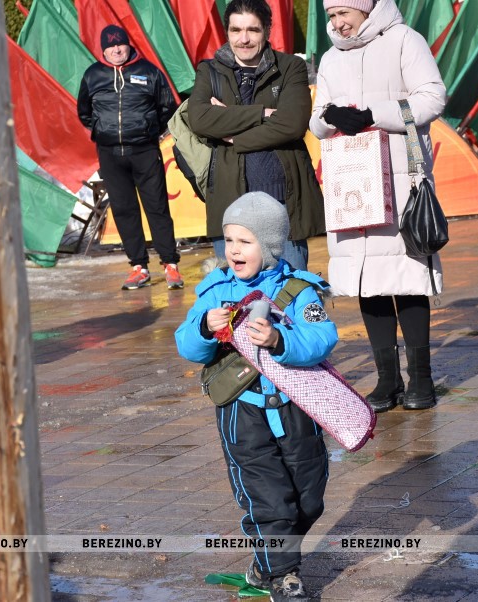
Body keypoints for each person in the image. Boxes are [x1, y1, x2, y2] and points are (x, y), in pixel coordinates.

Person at [174, 192, 335, 601]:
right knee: (268, 499)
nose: (233, 250)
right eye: (229, 240)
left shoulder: (300, 290)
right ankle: (285, 576)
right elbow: (187, 345)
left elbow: (322, 338)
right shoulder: (215, 291)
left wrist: (281, 339)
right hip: (242, 411)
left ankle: (266, 565)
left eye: (245, 241)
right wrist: (204, 328)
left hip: (297, 409)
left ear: (270, 245)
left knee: (309, 498)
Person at [308, 0, 446, 413]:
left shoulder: (404, 40)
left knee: (406, 276)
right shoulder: (331, 58)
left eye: (344, 13)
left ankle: (421, 377)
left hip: (399, 177)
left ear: (366, 9)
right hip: (353, 182)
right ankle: (388, 378)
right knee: (366, 279)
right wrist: (331, 116)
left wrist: (375, 114)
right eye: (332, 16)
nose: (337, 23)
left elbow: (432, 97)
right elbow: (316, 120)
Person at [187, 0, 326, 272]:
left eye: (253, 30)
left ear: (267, 30)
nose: (244, 39)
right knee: (237, 295)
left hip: (283, 203)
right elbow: (200, 119)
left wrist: (235, 137)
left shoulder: (290, 67)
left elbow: (292, 124)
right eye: (236, 30)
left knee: (290, 291)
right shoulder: (209, 71)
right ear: (227, 31)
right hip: (230, 203)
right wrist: (261, 113)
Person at [77, 25, 183, 290]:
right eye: (110, 46)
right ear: (103, 50)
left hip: (144, 151)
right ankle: (139, 267)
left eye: (120, 44)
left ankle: (170, 263)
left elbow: (167, 107)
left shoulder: (149, 71)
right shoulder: (93, 75)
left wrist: (148, 130)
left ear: (128, 44)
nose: (116, 50)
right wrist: (104, 130)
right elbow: (84, 112)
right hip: (110, 154)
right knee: (124, 210)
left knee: (157, 207)